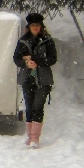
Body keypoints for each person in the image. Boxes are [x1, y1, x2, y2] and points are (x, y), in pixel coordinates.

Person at [13, 13, 57, 148]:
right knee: (29, 106)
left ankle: (35, 138)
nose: (35, 28)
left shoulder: (47, 40)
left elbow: (52, 59)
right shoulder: (23, 40)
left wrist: (35, 60)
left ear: (41, 26)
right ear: (29, 26)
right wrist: (26, 63)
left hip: (43, 79)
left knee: (38, 106)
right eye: (33, 25)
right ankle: (30, 136)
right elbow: (16, 58)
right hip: (27, 78)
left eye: (37, 25)